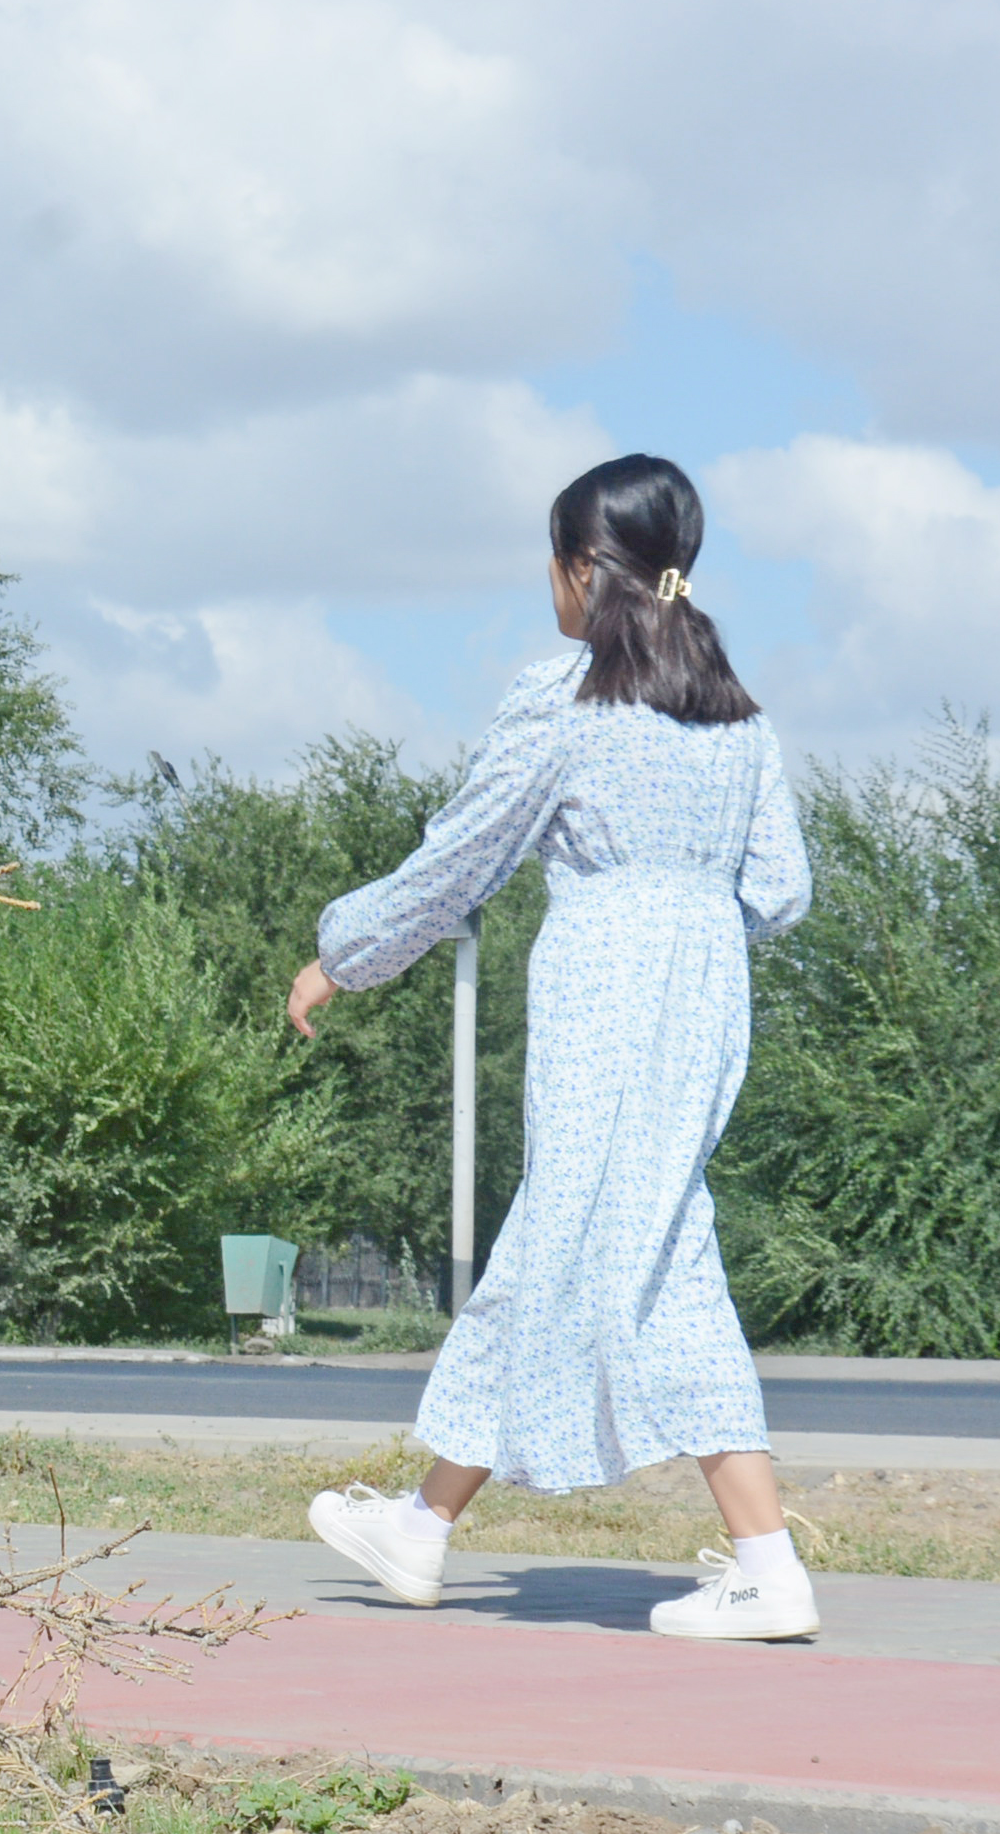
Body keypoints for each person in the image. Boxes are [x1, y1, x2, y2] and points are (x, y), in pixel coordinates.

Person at [288, 454, 820, 1641]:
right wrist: (686, 909)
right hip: (704, 995)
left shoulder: (565, 701)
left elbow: (461, 855)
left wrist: (346, 952)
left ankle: (750, 1567)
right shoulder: (736, 722)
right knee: (638, 1242)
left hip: (606, 988)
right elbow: (780, 893)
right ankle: (430, 1527)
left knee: (591, 1241)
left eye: (553, 560)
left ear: (584, 568)